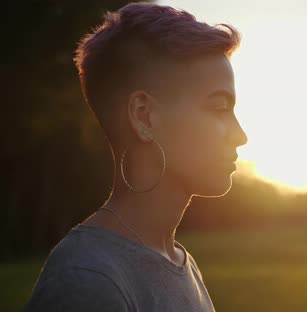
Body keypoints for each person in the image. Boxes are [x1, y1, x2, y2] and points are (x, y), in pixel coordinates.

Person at [25, 3, 246, 311]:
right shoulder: (88, 279)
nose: (240, 135)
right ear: (144, 116)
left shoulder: (180, 260)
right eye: (219, 108)